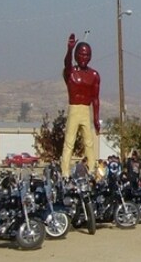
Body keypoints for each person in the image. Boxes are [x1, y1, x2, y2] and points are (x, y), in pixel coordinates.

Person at [60, 33, 101, 176]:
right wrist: (69, 50)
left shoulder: (94, 75)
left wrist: (96, 118)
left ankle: (92, 171)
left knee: (89, 143)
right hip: (74, 108)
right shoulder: (71, 73)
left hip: (86, 110)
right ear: (76, 55)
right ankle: (65, 173)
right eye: (81, 54)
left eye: (87, 55)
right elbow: (67, 65)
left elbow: (95, 98)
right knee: (69, 142)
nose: (84, 58)